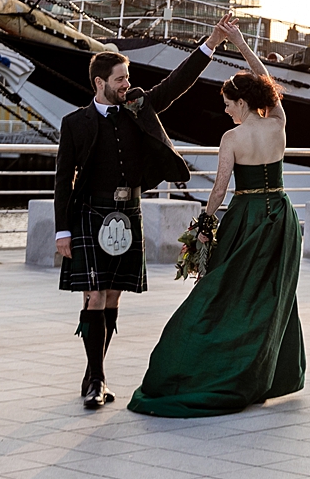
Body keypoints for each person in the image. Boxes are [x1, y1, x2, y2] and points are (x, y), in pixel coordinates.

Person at [129, 21, 304, 417]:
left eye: (228, 103)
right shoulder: (279, 124)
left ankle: (202, 368)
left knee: (222, 294)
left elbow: (219, 190)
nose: (225, 110)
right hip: (280, 218)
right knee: (271, 297)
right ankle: (263, 375)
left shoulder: (232, 138)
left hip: (246, 218)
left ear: (241, 102)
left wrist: (204, 231)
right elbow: (265, 81)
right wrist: (241, 44)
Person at [54, 35, 213, 407]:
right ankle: (97, 378)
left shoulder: (139, 108)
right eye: (121, 79)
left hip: (129, 215)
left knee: (111, 297)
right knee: (93, 297)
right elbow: (63, 179)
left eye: (128, 78)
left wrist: (210, 44)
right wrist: (63, 230)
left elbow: (177, 83)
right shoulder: (75, 123)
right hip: (91, 214)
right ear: (100, 82)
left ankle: (95, 371)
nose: (127, 84)